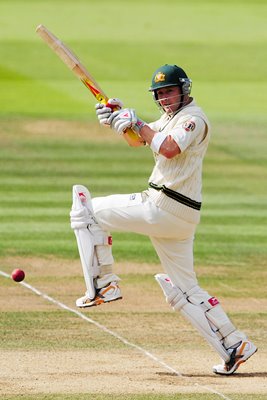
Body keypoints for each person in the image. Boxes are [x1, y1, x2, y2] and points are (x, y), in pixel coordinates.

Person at [70, 64, 257, 375]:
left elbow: (167, 148)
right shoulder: (171, 118)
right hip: (178, 215)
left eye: (169, 91)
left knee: (86, 210)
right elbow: (141, 140)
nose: (164, 98)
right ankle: (234, 345)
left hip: (164, 207)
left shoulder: (193, 119)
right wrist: (118, 120)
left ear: (184, 89)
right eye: (159, 94)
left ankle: (104, 285)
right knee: (185, 290)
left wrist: (138, 122)